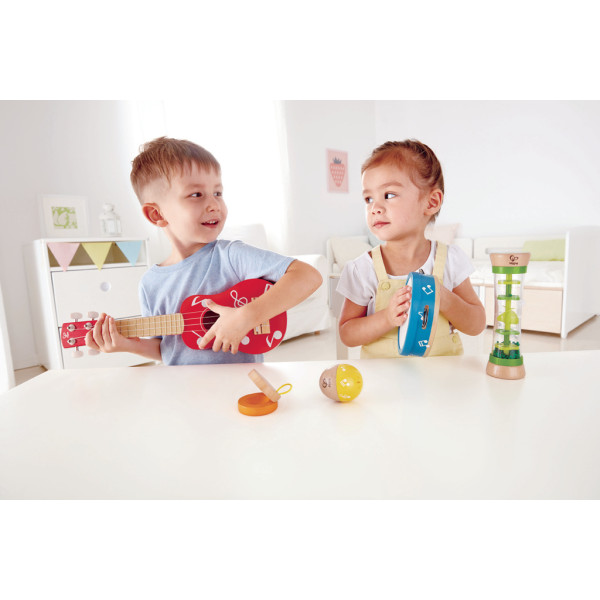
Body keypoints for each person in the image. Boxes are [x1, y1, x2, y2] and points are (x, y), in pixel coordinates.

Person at [86, 137, 322, 365]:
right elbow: (166, 349)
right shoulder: (150, 284)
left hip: (240, 384)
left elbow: (308, 276)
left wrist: (246, 316)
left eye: (218, 193)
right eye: (196, 195)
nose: (214, 204)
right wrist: (126, 344)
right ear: (156, 214)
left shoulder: (231, 256)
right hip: (184, 387)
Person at [337, 140, 486, 358]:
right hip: (383, 376)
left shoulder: (451, 260)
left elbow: (477, 324)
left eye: (389, 195)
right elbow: (347, 334)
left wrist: (444, 299)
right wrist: (386, 318)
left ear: (431, 202)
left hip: (443, 375)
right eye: (368, 199)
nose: (375, 208)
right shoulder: (362, 269)